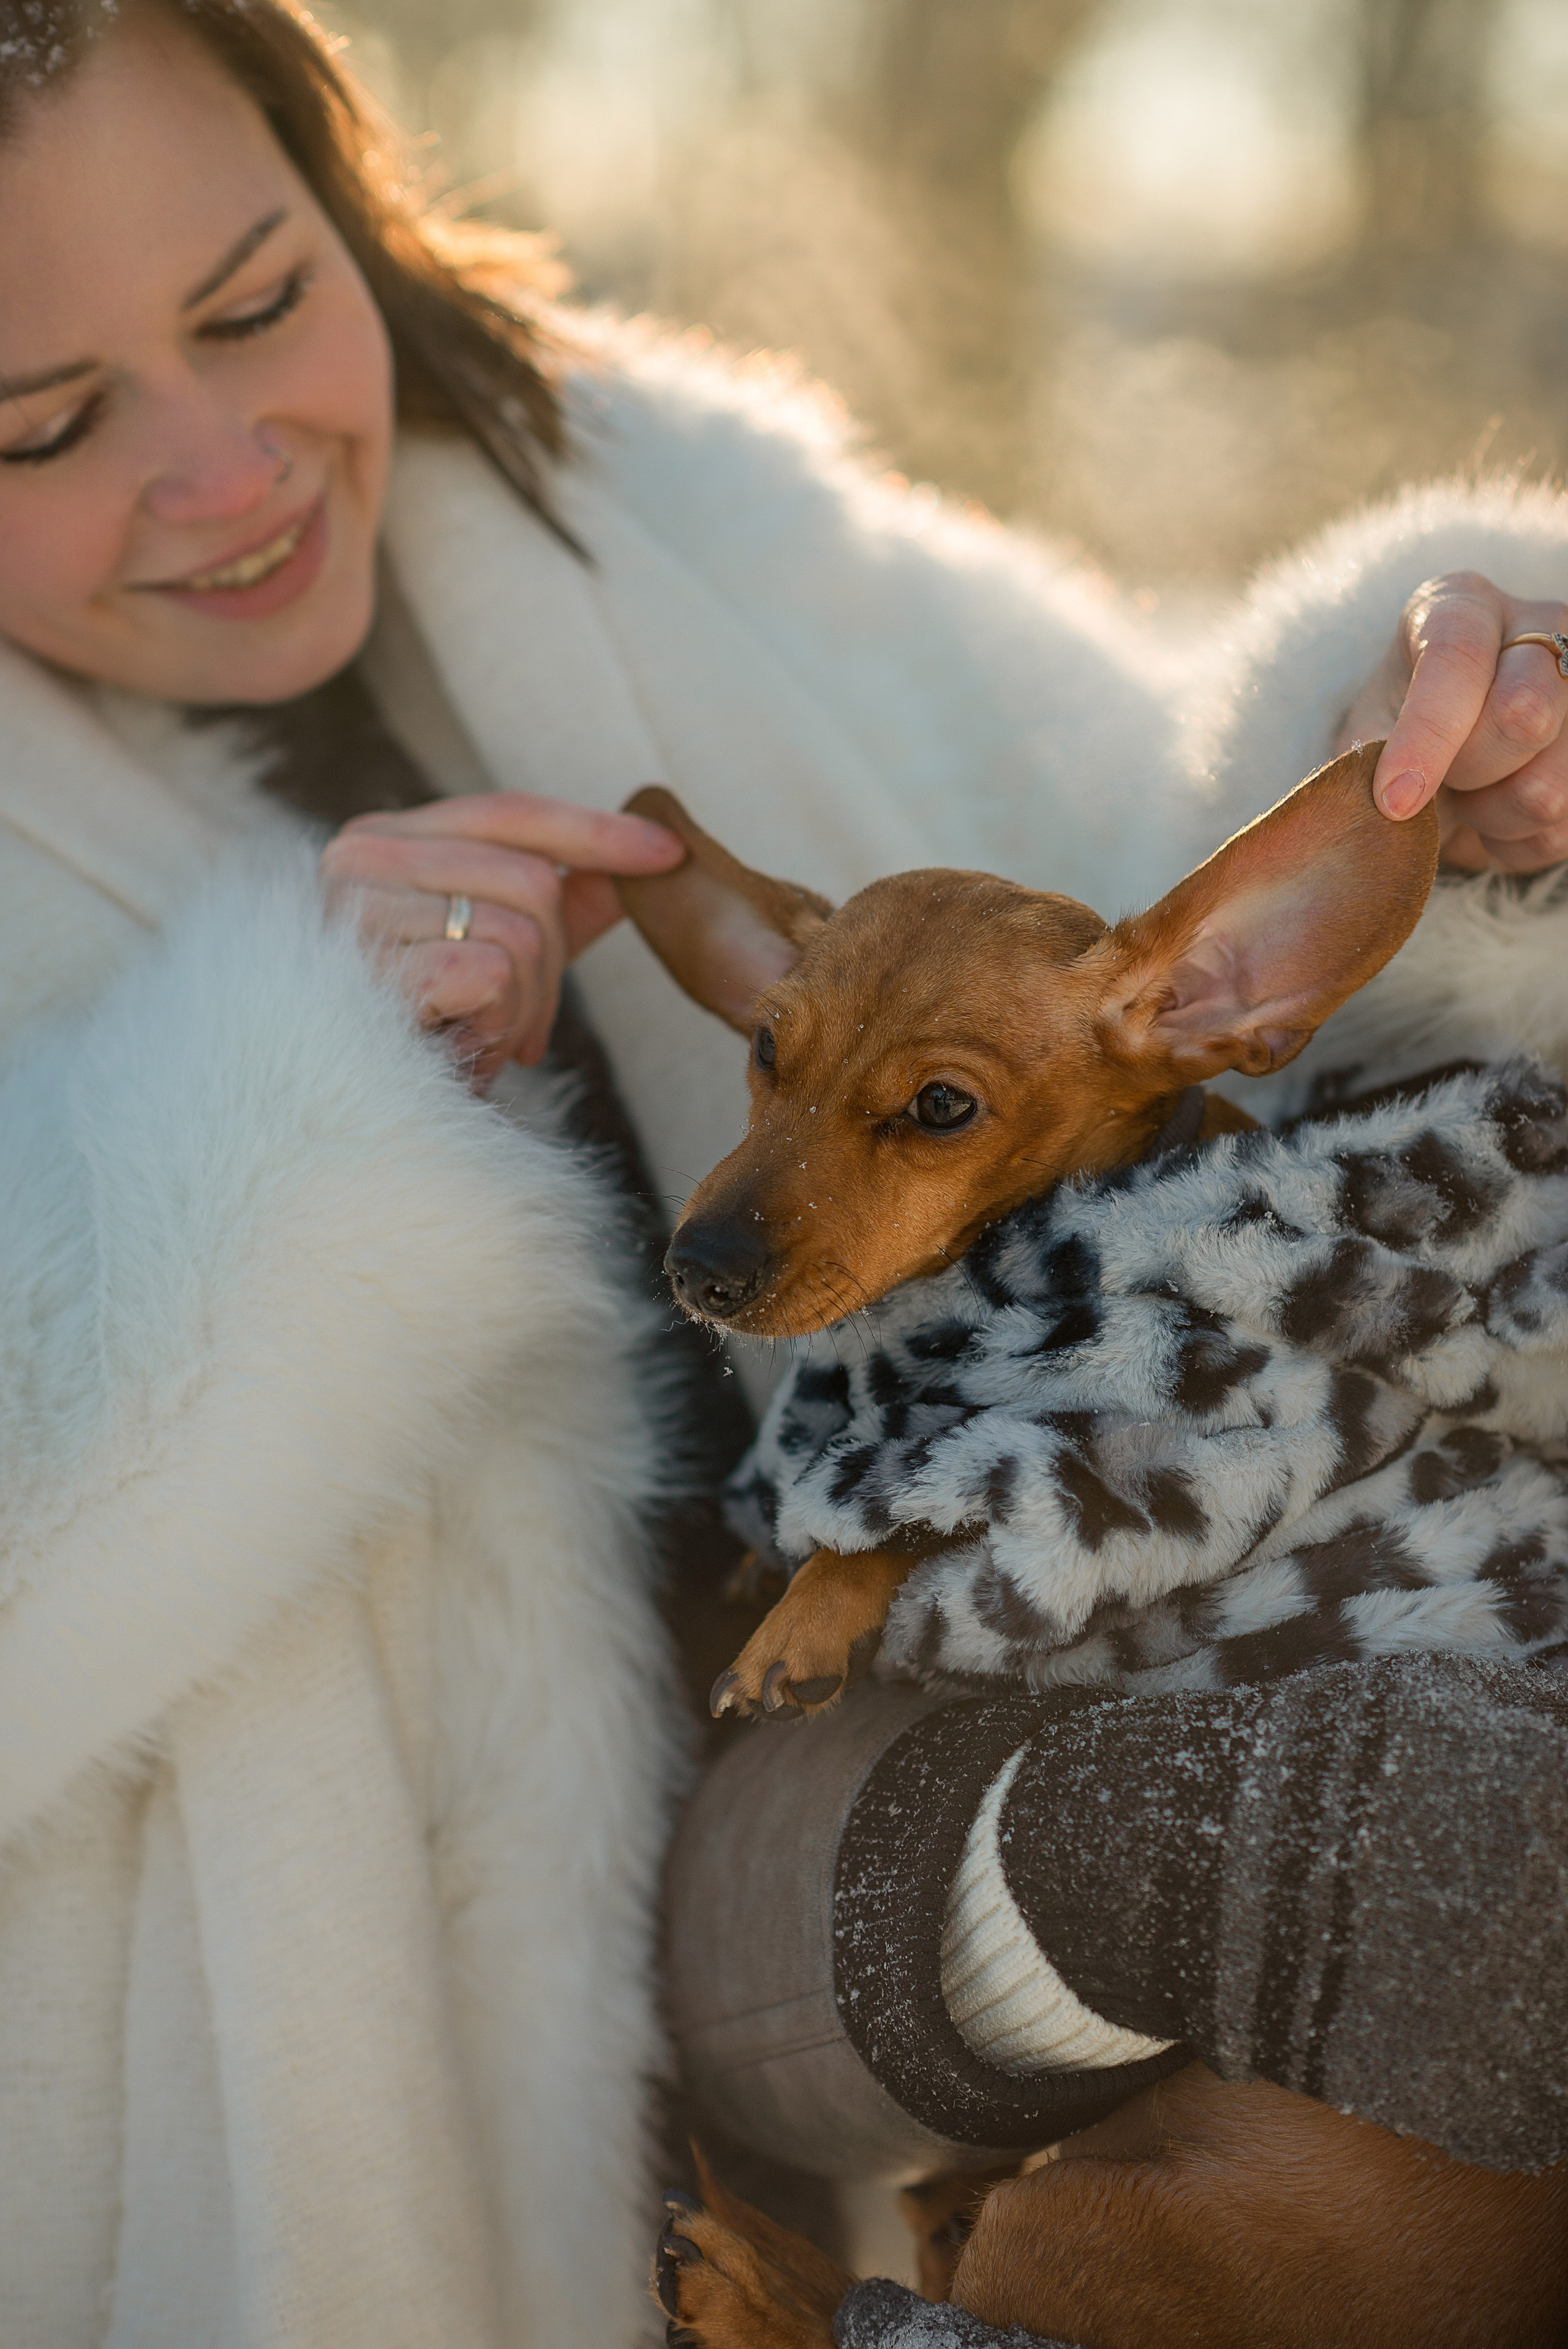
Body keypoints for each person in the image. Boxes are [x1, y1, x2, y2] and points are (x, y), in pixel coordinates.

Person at [0, 0, 1564, 2342]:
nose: (228, 470)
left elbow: (1142, 927)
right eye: (40, 419)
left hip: (1004, 1739)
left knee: (1468, 1844)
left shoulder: (707, 525)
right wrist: (268, 1106)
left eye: (257, 302)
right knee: (1395, 1844)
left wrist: (1467, 783)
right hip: (521, 1967)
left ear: (354, 210)